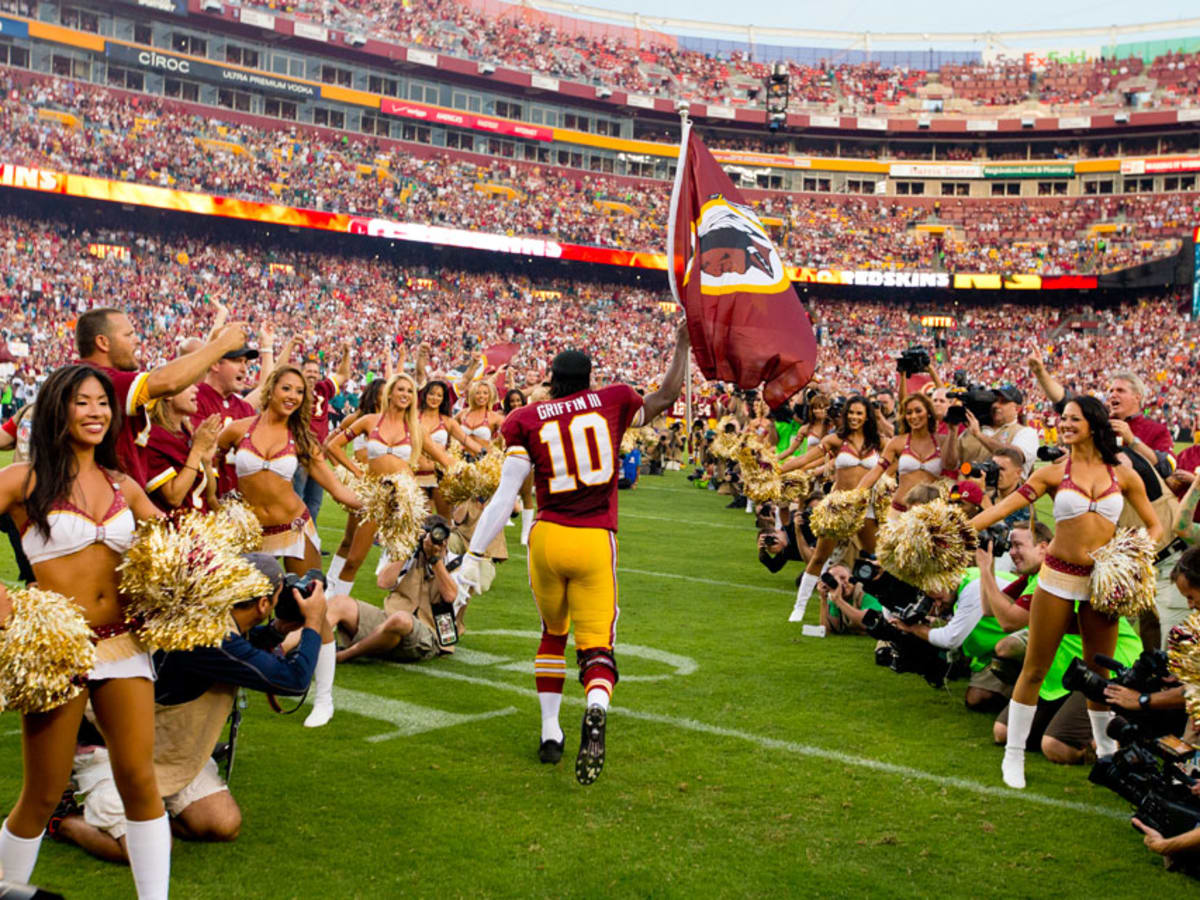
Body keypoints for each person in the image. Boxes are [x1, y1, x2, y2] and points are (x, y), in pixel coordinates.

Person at [458, 322, 690, 785]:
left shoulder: (525, 420)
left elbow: (505, 497)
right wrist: (682, 344)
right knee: (596, 641)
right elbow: (666, 396)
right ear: (590, 377)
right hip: (592, 538)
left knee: (552, 633)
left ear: (551, 377)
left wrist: (473, 555)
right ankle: (597, 706)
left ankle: (549, 731)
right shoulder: (615, 400)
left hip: (546, 537)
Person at [0, 365, 170, 898]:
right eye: (83, 403)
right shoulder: (24, 480)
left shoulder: (122, 482)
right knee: (44, 792)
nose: (96, 413)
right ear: (58, 409)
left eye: (103, 403)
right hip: (58, 646)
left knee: (141, 780)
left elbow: (171, 546)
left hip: (123, 642)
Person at [53, 554, 323, 859]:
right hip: (112, 750)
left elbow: (238, 650)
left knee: (222, 824)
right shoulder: (210, 638)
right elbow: (294, 680)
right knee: (149, 852)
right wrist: (314, 622)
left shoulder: (209, 617)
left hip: (167, 748)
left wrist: (275, 630)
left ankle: (151, 815)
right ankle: (64, 820)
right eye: (277, 595)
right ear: (262, 603)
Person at [970, 396, 1163, 788]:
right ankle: (1014, 756)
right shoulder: (1053, 474)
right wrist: (961, 526)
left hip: (1101, 585)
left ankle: (1108, 759)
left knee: (1097, 672)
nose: (1065, 424)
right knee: (1035, 668)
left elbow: (1155, 526)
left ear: (1093, 424)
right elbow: (1003, 509)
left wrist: (1131, 555)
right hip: (1057, 578)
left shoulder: (1123, 476)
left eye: (1074, 419)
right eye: (1063, 419)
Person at [216, 365, 362, 729]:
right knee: (237, 609)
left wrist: (378, 502)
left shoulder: (302, 440)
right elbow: (208, 463)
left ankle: (324, 698)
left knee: (313, 606)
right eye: (287, 388)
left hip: (294, 528)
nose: (293, 396)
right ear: (271, 389)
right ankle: (236, 682)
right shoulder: (238, 429)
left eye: (299, 392)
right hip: (249, 535)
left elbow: (338, 491)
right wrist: (217, 501)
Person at [73, 308, 251, 486]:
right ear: (103, 342)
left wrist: (213, 344)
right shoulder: (101, 380)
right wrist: (222, 346)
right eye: (128, 335)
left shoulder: (96, 378)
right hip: (107, 501)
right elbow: (170, 382)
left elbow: (183, 382)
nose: (137, 340)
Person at [323, 374, 434, 596]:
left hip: (404, 500)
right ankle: (332, 603)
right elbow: (332, 445)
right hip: (374, 495)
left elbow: (443, 458)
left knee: (410, 557)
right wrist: (356, 473)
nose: (405, 395)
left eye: (410, 391)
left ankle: (410, 607)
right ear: (389, 394)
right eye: (400, 390)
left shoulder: (415, 427)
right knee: (354, 557)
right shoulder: (368, 420)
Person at [782, 395, 882, 622]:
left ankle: (884, 610)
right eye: (851, 413)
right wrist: (777, 468)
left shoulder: (878, 442)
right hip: (838, 508)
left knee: (878, 558)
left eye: (859, 413)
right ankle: (799, 607)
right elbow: (804, 459)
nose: (854, 417)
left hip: (866, 508)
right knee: (819, 557)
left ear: (867, 417)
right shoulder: (836, 440)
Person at [327, 515, 458, 664]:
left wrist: (436, 560)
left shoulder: (454, 560)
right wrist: (408, 547)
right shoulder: (404, 549)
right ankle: (306, 646)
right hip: (388, 619)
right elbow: (383, 582)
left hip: (426, 634)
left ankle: (347, 654)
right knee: (339, 602)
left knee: (401, 619)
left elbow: (450, 596)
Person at [858, 393, 959, 522]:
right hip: (898, 512)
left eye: (918, 411)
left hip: (931, 515)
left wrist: (953, 432)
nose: (913, 416)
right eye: (909, 413)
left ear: (928, 412)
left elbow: (951, 464)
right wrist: (855, 494)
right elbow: (876, 471)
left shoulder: (942, 441)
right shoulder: (897, 442)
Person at [293, 347, 352, 526]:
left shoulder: (322, 388)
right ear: (301, 372)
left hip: (319, 455)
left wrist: (346, 355)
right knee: (298, 500)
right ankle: (294, 544)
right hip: (300, 454)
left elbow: (343, 375)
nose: (312, 375)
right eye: (308, 371)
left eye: (315, 372)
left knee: (314, 502)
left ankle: (312, 543)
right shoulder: (294, 389)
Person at [143, 383, 221, 513]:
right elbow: (174, 498)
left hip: (199, 525)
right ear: (168, 394)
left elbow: (210, 496)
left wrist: (206, 462)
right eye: (188, 385)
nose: (196, 389)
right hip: (173, 529)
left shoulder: (186, 433)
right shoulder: (153, 437)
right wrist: (197, 450)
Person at [414, 379, 485, 516]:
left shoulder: (447, 421)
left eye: (439, 395)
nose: (434, 398)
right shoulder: (413, 417)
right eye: (432, 394)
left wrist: (487, 456)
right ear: (425, 395)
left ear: (443, 399)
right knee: (420, 524)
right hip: (416, 475)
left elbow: (467, 441)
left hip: (441, 476)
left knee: (445, 521)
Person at [959, 385, 1038, 476]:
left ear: (1017, 409)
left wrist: (979, 435)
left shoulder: (1026, 433)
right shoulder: (973, 429)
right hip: (968, 488)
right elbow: (951, 465)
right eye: (995, 400)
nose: (996, 405)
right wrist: (952, 430)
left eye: (1004, 402)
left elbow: (1015, 456)